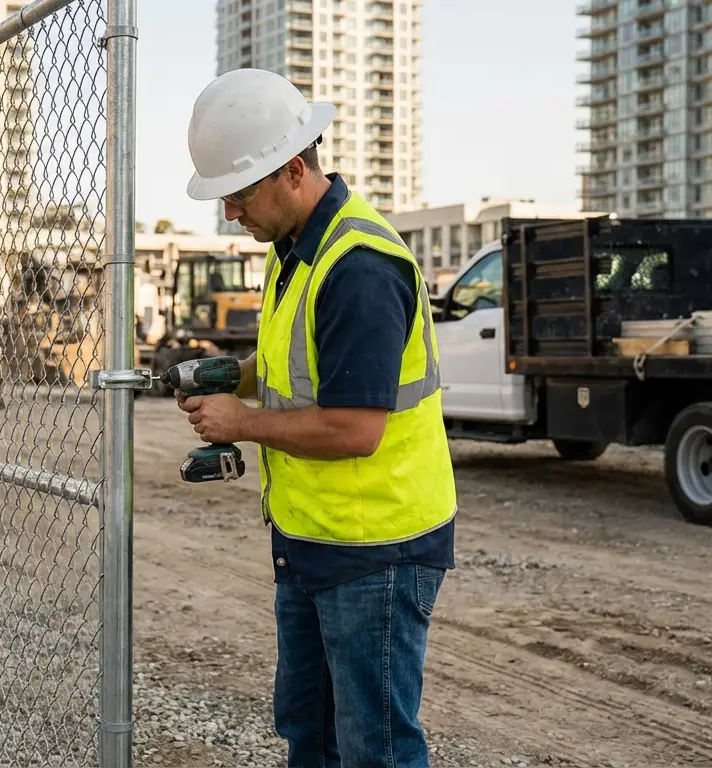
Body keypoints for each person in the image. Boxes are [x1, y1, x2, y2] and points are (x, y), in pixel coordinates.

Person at [176, 68, 458, 768]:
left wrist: (240, 423)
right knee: (311, 729)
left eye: (238, 195)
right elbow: (293, 367)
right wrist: (227, 376)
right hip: (313, 539)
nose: (231, 214)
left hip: (376, 547)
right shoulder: (294, 251)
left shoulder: (358, 267)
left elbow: (355, 428)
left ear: (293, 170)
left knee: (375, 749)